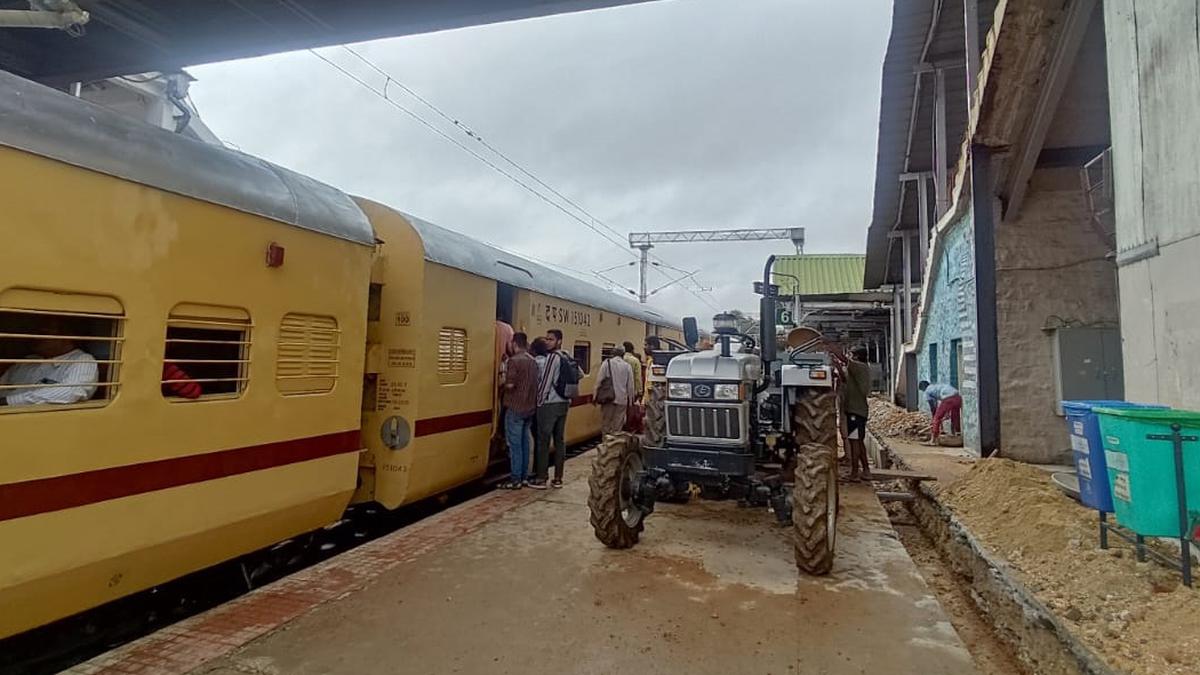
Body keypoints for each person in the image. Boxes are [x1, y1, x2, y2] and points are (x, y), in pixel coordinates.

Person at [0, 327, 98, 406]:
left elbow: (72, 391)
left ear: (66, 337)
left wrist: (9, 401)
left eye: (44, 333)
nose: (35, 337)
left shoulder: (82, 360)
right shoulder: (28, 360)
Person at [499, 332, 537, 489]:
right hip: (529, 408)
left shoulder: (514, 361)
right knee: (524, 443)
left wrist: (501, 383)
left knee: (515, 445)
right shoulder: (532, 361)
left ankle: (515, 479)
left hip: (515, 407)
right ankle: (524, 477)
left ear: (514, 344)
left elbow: (510, 385)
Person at [532, 330, 570, 489]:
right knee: (559, 441)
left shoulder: (552, 358)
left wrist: (539, 402)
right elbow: (580, 374)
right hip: (564, 403)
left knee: (543, 441)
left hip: (549, 404)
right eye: (547, 339)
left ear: (559, 341)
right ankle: (558, 478)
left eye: (551, 339)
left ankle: (541, 478)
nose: (547, 342)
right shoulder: (566, 356)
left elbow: (546, 382)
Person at [837, 346, 872, 481]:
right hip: (858, 412)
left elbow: (844, 359)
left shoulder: (859, 367)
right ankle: (866, 471)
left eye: (852, 355)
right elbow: (845, 379)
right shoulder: (858, 370)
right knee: (859, 441)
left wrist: (830, 346)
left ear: (856, 356)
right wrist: (837, 367)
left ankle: (854, 473)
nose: (850, 357)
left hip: (855, 412)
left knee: (854, 441)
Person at [595, 345, 636, 435]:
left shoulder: (606, 363)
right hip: (622, 400)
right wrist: (630, 401)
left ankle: (606, 444)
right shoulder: (627, 366)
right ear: (623, 354)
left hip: (608, 399)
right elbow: (630, 386)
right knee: (617, 425)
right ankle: (614, 444)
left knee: (606, 424)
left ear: (613, 353)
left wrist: (595, 396)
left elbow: (599, 381)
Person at [919, 380, 962, 445]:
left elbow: (932, 407)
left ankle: (933, 441)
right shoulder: (936, 386)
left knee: (937, 418)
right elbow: (944, 402)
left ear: (923, 388)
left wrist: (935, 419)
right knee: (955, 417)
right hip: (958, 398)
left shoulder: (927, 391)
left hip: (948, 399)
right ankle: (957, 435)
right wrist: (946, 413)